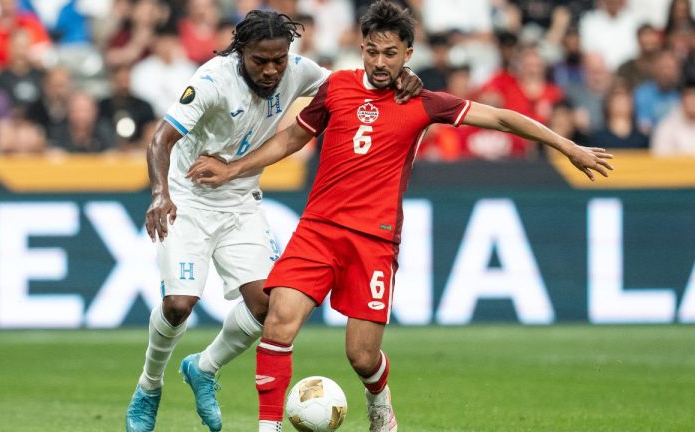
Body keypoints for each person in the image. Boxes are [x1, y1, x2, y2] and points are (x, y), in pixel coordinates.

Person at [185, 2, 614, 431]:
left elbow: (499, 117)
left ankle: (379, 400)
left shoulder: (422, 102)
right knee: (278, 320)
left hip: (374, 240)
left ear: (408, 53)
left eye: (390, 53)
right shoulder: (335, 88)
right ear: (361, 47)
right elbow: (291, 140)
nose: (379, 62)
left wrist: (568, 147)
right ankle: (268, 428)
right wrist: (231, 168)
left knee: (362, 356)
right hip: (318, 230)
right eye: (372, 51)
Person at [124, 9, 422, 432]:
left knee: (268, 306)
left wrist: (406, 76)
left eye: (278, 60)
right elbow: (161, 139)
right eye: (259, 61)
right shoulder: (212, 80)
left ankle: (203, 368)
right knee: (178, 305)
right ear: (240, 53)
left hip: (241, 200)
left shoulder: (299, 70)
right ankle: (149, 387)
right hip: (189, 198)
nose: (270, 70)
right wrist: (160, 194)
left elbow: (361, 81)